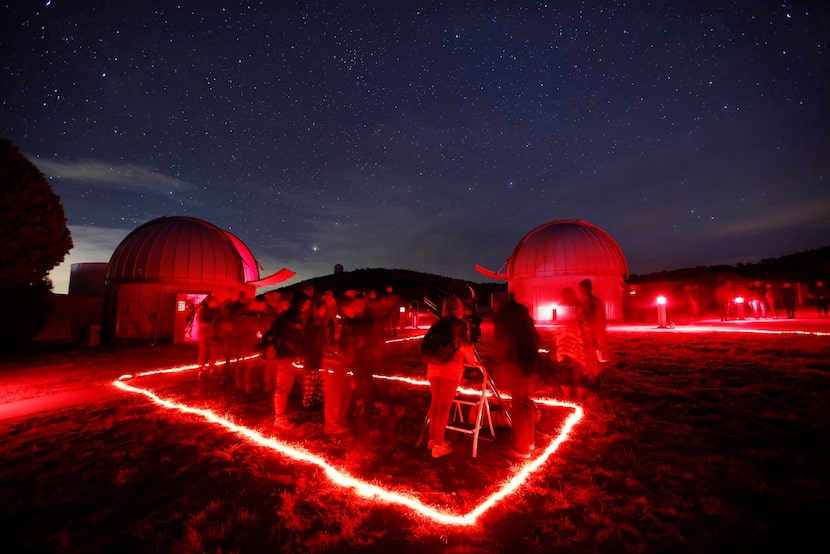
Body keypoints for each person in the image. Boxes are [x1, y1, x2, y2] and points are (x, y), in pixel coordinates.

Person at [425, 295, 476, 459]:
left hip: (433, 367)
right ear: (459, 309)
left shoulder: (438, 324)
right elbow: (466, 348)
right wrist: (472, 362)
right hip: (450, 369)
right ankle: (439, 446)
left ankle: (433, 440)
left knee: (435, 403)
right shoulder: (461, 325)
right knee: (444, 407)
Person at [493, 294, 540, 460]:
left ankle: (521, 448)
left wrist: (499, 365)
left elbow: (502, 341)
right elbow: (537, 337)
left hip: (516, 364)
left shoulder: (503, 317)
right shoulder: (524, 316)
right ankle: (529, 441)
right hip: (531, 362)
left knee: (519, 406)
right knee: (526, 403)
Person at [260, 292, 311, 429]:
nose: (308, 306)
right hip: (287, 357)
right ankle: (279, 418)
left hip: (293, 356)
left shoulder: (296, 318)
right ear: (299, 304)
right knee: (283, 387)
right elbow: (288, 339)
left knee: (286, 387)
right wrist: (297, 353)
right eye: (305, 303)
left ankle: (281, 415)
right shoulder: (289, 319)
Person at [554, 287, 594, 400]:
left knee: (565, 370)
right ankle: (580, 394)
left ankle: (566, 393)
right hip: (577, 345)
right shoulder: (579, 307)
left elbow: (556, 326)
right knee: (579, 370)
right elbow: (585, 325)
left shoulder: (560, 308)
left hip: (564, 346)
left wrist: (558, 340)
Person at [301, 297, 334, 410]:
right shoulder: (311, 323)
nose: (323, 311)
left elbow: (330, 338)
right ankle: (308, 403)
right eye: (321, 308)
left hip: (324, 354)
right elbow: (307, 339)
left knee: (321, 380)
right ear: (316, 309)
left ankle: (319, 401)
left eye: (325, 308)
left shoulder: (329, 322)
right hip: (312, 355)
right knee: (311, 380)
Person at [577, 279, 607, 381]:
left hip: (593, 336)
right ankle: (587, 380)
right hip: (584, 336)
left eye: (580, 289)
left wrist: (600, 339)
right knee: (585, 360)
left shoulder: (593, 303)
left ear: (584, 289)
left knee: (594, 359)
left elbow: (598, 321)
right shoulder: (581, 302)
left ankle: (595, 381)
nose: (579, 291)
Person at [196, 294, 220, 379]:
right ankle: (208, 369)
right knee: (209, 352)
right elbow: (214, 322)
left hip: (205, 333)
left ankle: (203, 369)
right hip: (208, 333)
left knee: (205, 352)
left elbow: (200, 321)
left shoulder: (202, 310)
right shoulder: (208, 311)